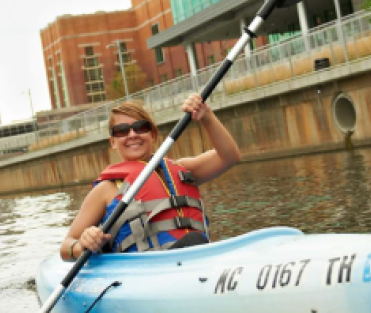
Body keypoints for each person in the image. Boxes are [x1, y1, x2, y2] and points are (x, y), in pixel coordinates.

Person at [60, 93, 241, 260]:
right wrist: (83, 244)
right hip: (148, 271)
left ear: (153, 135)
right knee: (193, 240)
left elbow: (230, 156)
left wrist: (207, 117)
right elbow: (67, 245)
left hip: (197, 255)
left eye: (140, 128)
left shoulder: (183, 170)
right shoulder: (105, 190)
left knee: (194, 240)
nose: (132, 135)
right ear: (113, 142)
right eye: (122, 131)